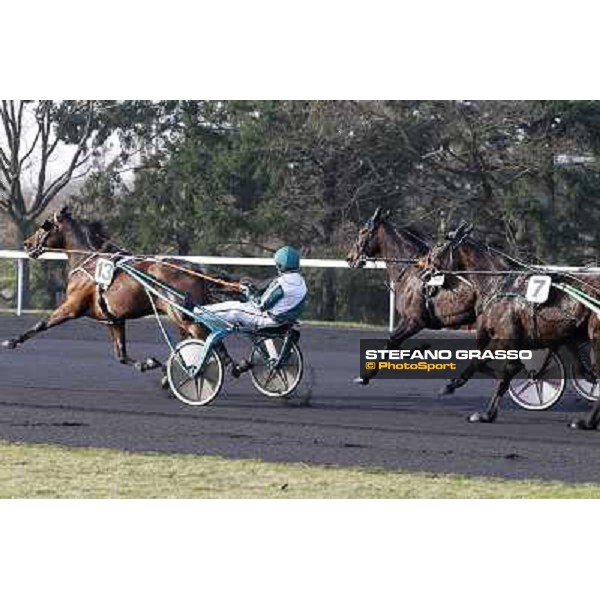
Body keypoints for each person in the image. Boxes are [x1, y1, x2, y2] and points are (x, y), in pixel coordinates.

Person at [197, 246, 307, 330]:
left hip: (269, 320)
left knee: (235, 307)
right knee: (239, 306)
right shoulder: (301, 281)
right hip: (284, 320)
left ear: (279, 265)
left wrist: (248, 291)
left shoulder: (281, 282)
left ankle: (197, 312)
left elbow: (260, 305)